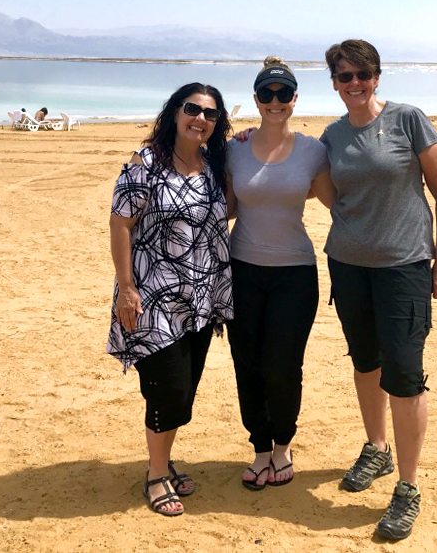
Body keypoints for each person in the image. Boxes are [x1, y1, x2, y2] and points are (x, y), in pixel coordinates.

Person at [319, 39, 437, 541]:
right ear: (333, 82)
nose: (353, 84)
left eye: (362, 75)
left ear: (377, 76)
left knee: (404, 373)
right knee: (365, 361)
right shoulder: (331, 137)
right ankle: (376, 448)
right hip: (349, 267)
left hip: (405, 266)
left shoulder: (408, 119)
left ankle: (408, 486)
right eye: (343, 76)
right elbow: (324, 189)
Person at [108, 82, 233, 516]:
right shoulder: (146, 164)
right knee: (170, 388)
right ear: (175, 113)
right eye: (192, 108)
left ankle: (162, 458)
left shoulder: (214, 164)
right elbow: (120, 224)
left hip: (200, 300)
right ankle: (156, 474)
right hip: (151, 298)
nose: (200, 118)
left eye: (210, 114)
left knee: (183, 389)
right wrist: (126, 288)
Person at [224, 57, 333, 491]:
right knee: (247, 363)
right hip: (241, 271)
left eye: (283, 94)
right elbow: (226, 208)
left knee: (284, 365)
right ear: (255, 100)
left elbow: (337, 205)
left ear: (294, 100)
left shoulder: (313, 150)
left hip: (295, 273)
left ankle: (283, 446)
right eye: (266, 94)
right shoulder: (234, 148)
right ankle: (260, 449)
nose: (274, 101)